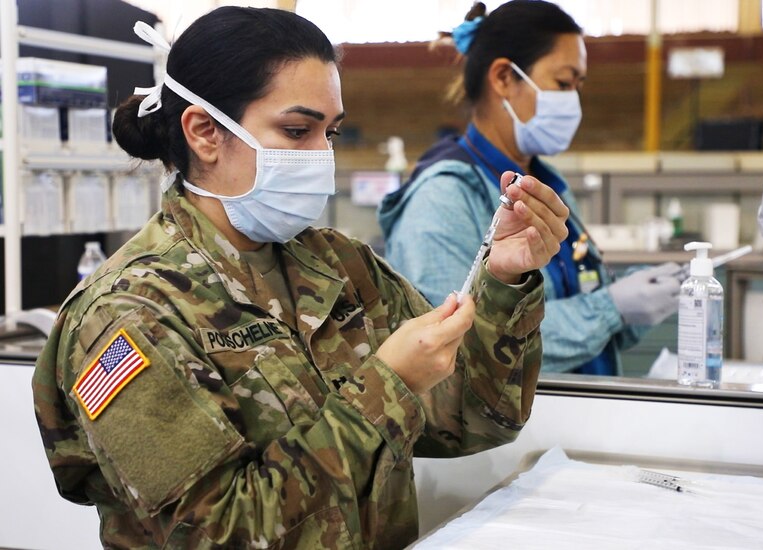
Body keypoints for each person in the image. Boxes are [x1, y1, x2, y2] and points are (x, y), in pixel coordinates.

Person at [31, 7, 568, 549]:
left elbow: (474, 418)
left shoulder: (340, 266)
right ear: (205, 133)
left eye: (329, 132)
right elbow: (219, 532)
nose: (322, 156)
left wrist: (503, 279)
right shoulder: (128, 314)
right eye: (297, 130)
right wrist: (386, 385)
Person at [378, 0, 683, 376]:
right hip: (518, 429)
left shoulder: (545, 183)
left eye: (578, 86)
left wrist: (639, 300)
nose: (573, 99)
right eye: (562, 83)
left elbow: (579, 303)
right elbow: (461, 346)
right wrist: (611, 308)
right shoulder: (442, 197)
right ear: (504, 78)